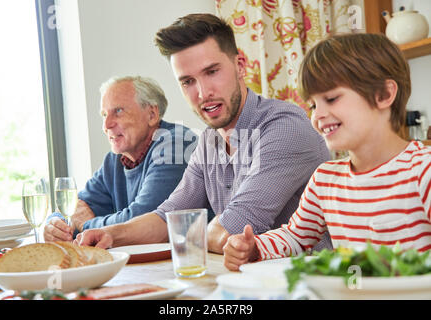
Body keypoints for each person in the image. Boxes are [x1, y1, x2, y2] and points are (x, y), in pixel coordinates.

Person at [74, 13, 330, 253]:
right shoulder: (209, 139)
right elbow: (168, 217)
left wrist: (186, 233)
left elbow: (228, 232)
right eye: (187, 81)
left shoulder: (285, 127)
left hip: (310, 286)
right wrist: (109, 234)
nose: (202, 93)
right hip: (244, 283)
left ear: (240, 65)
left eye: (212, 72)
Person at [223, 33, 431, 271]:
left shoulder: (423, 171)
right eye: (313, 105)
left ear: (384, 95)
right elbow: (296, 237)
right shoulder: (326, 178)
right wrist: (254, 247)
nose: (318, 115)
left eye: (331, 99)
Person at [44, 76, 198, 242]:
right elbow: (75, 209)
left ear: (152, 114)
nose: (106, 125)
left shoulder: (176, 143)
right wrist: (55, 224)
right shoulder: (115, 160)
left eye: (118, 111)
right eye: (104, 114)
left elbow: (143, 220)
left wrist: (86, 225)